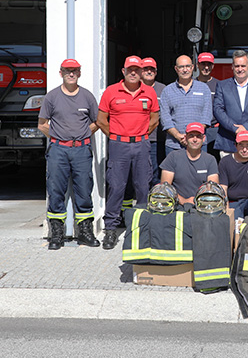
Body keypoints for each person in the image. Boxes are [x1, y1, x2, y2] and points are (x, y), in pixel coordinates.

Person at [96, 55, 160, 250]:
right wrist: (117, 136)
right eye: (130, 69)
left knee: (143, 187)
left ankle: (142, 229)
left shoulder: (149, 92)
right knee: (116, 187)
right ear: (123, 71)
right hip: (119, 146)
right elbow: (101, 120)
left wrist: (139, 135)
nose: (133, 73)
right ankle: (111, 230)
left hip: (141, 145)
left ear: (142, 72)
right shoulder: (111, 92)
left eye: (137, 69)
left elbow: (154, 119)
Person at [37, 58, 100, 250]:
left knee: (83, 190)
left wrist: (82, 135)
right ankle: (56, 234)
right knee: (56, 190)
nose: (71, 74)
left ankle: (85, 233)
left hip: (81, 150)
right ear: (60, 73)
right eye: (67, 71)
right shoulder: (52, 97)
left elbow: (98, 122)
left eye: (74, 71)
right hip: (58, 150)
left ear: (80, 73)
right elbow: (42, 124)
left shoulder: (87, 97)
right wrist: (58, 137)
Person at [213, 50, 248, 155]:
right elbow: (218, 110)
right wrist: (234, 129)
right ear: (232, 67)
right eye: (237, 66)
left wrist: (246, 127)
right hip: (228, 141)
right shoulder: (222, 85)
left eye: (243, 66)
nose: (240, 69)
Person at [160, 54, 213, 156]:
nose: (185, 70)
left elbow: (206, 116)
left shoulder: (204, 89)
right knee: (173, 172)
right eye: (181, 67)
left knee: (199, 172)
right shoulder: (167, 91)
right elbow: (165, 118)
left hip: (198, 144)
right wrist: (178, 136)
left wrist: (193, 137)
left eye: (188, 66)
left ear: (193, 67)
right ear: (176, 69)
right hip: (174, 145)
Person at [159, 122, 220, 205]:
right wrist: (183, 201)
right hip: (177, 205)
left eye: (198, 136)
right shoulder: (173, 157)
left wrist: (198, 201)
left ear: (204, 138)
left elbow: (212, 190)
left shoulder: (210, 159)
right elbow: (165, 188)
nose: (195, 139)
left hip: (202, 205)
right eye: (191, 136)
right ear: (185, 137)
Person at [141, 57, 166, 185]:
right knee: (138, 171)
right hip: (138, 138)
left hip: (157, 138)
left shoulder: (164, 89)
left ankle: (154, 199)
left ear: (156, 72)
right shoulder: (134, 88)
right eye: (146, 69)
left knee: (155, 171)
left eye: (152, 69)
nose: (149, 72)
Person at [196, 52, 220, 156]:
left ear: (213, 66)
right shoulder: (191, 84)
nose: (206, 67)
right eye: (203, 64)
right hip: (196, 131)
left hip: (214, 130)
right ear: (197, 65)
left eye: (209, 64)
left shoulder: (219, 85)